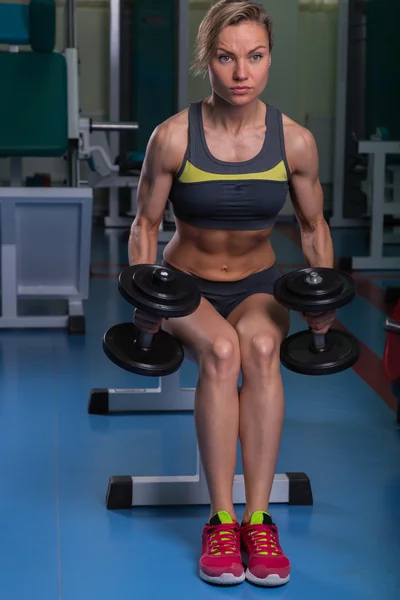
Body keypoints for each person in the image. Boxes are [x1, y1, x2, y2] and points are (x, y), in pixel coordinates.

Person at [128, 0, 335, 588]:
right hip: (184, 287)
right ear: (207, 62)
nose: (241, 72)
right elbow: (144, 226)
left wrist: (321, 305)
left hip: (258, 286)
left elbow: (314, 228)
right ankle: (220, 520)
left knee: (263, 353)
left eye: (255, 56)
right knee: (221, 355)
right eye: (226, 57)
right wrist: (146, 302)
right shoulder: (172, 137)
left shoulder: (294, 142)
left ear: (270, 59)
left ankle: (259, 520)